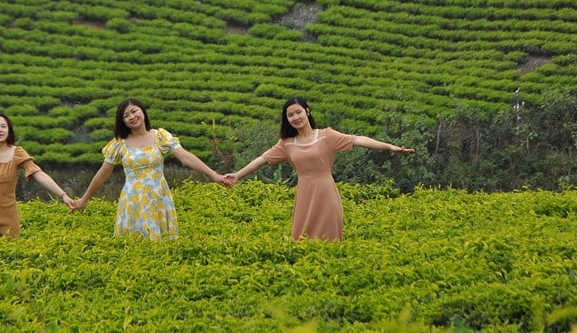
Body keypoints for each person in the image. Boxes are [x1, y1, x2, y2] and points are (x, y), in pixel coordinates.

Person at [222, 97, 414, 241]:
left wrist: (390, 147)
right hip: (305, 193)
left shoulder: (326, 136)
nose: (295, 117)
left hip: (326, 191)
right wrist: (238, 174)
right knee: (302, 238)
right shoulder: (286, 144)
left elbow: (357, 139)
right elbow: (262, 160)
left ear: (307, 111)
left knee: (329, 237)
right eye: (290, 115)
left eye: (298, 112)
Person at [70, 98, 227, 239]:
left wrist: (215, 176)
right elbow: (103, 174)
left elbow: (185, 157)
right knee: (134, 246)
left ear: (142, 111)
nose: (132, 117)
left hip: (159, 198)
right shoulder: (119, 144)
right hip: (133, 201)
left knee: (163, 247)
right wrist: (85, 199)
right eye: (126, 115)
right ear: (122, 121)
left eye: (134, 111)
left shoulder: (160, 136)